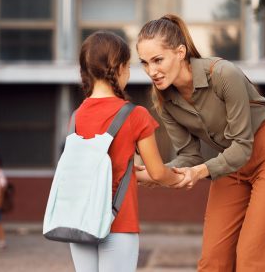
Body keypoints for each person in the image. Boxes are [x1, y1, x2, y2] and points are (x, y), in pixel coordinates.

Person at [136, 14, 265, 271]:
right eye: (145, 63)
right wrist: (156, 172)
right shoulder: (165, 101)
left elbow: (241, 146)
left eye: (158, 60)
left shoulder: (223, 74)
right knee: (213, 258)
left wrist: (199, 172)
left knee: (255, 255)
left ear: (180, 52)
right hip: (230, 161)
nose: (151, 71)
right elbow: (189, 157)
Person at [69, 31, 184, 272]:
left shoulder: (76, 116)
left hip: (79, 221)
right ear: (120, 68)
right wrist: (180, 177)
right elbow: (158, 172)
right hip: (118, 222)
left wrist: (135, 173)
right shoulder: (135, 115)